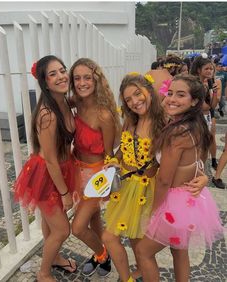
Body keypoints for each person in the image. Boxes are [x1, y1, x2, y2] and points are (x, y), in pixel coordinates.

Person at [102, 73, 208, 282]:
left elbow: (191, 157)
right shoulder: (130, 122)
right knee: (130, 236)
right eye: (128, 99)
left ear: (149, 91)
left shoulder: (167, 123)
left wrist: (203, 178)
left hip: (152, 191)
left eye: (137, 94)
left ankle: (142, 271)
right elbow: (122, 151)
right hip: (126, 188)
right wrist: (113, 162)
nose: (134, 102)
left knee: (156, 246)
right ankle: (137, 273)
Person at [136, 75, 225, 282]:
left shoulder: (176, 133)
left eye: (181, 95)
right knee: (179, 250)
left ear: (194, 101)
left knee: (143, 252)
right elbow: (198, 162)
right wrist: (202, 177)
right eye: (170, 93)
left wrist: (154, 212)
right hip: (190, 202)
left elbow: (164, 180)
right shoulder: (195, 125)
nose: (172, 99)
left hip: (173, 205)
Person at [14, 55, 76, 282]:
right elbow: (50, 160)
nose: (61, 76)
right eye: (53, 74)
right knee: (62, 230)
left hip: (61, 170)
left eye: (62, 70)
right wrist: (65, 193)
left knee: (51, 222)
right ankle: (43, 273)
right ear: (44, 82)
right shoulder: (47, 114)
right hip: (46, 174)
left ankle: (56, 257)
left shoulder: (66, 102)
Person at [68, 58, 121, 277]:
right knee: (93, 218)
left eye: (87, 77)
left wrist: (106, 183)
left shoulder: (104, 115)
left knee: (78, 228)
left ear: (95, 79)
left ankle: (102, 254)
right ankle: (102, 252)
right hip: (75, 170)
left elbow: (109, 155)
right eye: (77, 78)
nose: (82, 83)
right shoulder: (74, 103)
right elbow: (52, 101)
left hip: (95, 176)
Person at [190, 56, 219, 166]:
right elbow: (205, 107)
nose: (210, 71)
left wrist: (215, 92)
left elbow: (213, 105)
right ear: (198, 70)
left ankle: (200, 169)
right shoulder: (195, 85)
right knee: (198, 148)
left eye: (211, 69)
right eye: (206, 69)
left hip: (206, 119)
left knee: (205, 147)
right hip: (196, 120)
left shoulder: (206, 85)